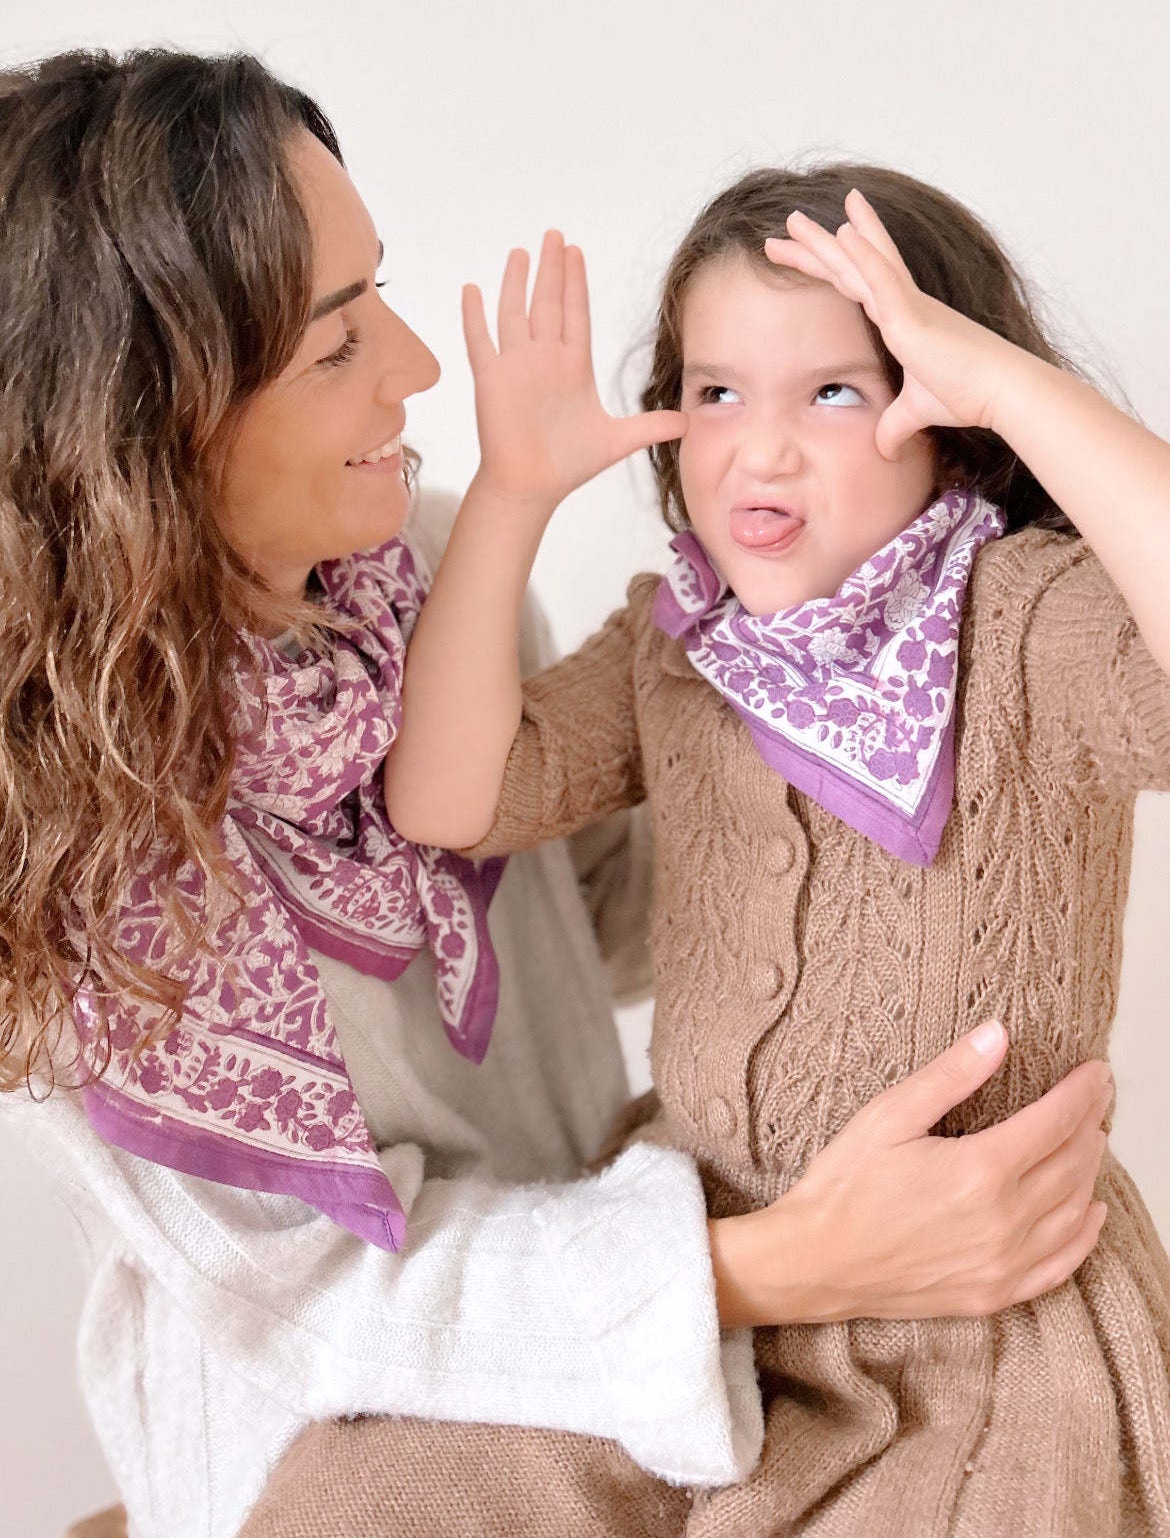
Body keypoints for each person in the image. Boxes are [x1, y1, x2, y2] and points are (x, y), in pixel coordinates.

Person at [0, 54, 1111, 1538]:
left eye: (377, 294)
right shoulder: (62, 834)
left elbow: (609, 902)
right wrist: (783, 1260)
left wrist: (859, 717)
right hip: (348, 1413)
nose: (412, 366)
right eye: (336, 346)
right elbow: (313, 1299)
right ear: (146, 426)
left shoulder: (431, 584)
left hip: (691, 1277)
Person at [329, 169, 1170, 1537]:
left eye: (833, 393)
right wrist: (513, 491)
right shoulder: (679, 646)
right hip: (708, 1277)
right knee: (360, 1493)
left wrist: (1020, 390)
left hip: (974, 1308)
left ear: (944, 424)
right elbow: (445, 799)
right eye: (715, 393)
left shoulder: (1026, 620)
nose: (756, 450)